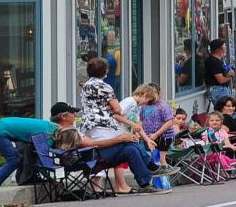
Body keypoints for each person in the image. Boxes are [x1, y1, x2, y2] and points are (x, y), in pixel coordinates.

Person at [51, 102, 179, 195]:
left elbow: (92, 144)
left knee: (131, 149)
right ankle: (153, 169)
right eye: (72, 113)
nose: (75, 115)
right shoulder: (67, 131)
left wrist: (122, 139)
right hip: (88, 159)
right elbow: (92, 145)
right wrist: (119, 139)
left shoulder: (66, 130)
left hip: (90, 155)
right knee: (127, 144)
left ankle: (146, 183)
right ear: (63, 116)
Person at [79, 57, 154, 194]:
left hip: (89, 126)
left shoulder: (86, 86)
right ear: (105, 72)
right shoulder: (105, 87)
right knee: (128, 143)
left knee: (130, 146)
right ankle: (149, 170)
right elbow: (117, 109)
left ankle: (147, 176)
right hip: (103, 126)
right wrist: (110, 107)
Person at [0, 111, 62, 189]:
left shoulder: (52, 128)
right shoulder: (48, 138)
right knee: (13, 160)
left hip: (3, 124)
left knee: (26, 154)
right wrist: (51, 180)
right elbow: (41, 160)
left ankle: (27, 179)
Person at [142, 85, 176, 165]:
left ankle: (164, 176)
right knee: (152, 159)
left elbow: (169, 122)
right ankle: (153, 176)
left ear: (158, 93)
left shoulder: (163, 106)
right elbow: (141, 120)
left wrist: (156, 134)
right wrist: (139, 133)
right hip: (149, 136)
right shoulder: (145, 105)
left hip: (164, 136)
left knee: (161, 159)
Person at [204, 39, 236, 106]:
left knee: (230, 111)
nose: (226, 48)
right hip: (218, 90)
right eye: (224, 46)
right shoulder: (213, 61)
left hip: (222, 89)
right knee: (228, 111)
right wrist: (230, 76)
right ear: (219, 49)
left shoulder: (220, 60)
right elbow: (221, 80)